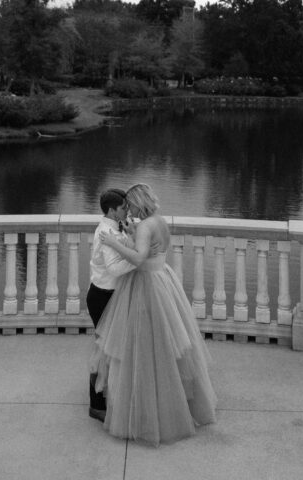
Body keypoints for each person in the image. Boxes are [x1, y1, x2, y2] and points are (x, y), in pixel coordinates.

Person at [94, 183, 217, 446]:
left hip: (146, 285)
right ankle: (175, 399)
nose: (129, 209)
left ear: (139, 203)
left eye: (131, 204)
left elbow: (138, 259)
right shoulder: (158, 221)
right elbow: (152, 249)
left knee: (143, 349)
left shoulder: (146, 225)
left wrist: (114, 242)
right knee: (169, 346)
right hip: (163, 278)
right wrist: (131, 233)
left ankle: (147, 408)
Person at [86, 188, 135, 421]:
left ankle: (106, 396)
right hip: (102, 297)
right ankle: (96, 405)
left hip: (109, 295)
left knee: (111, 350)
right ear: (111, 210)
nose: (128, 209)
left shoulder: (115, 228)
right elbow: (115, 269)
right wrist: (140, 262)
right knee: (103, 351)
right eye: (124, 207)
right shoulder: (106, 233)